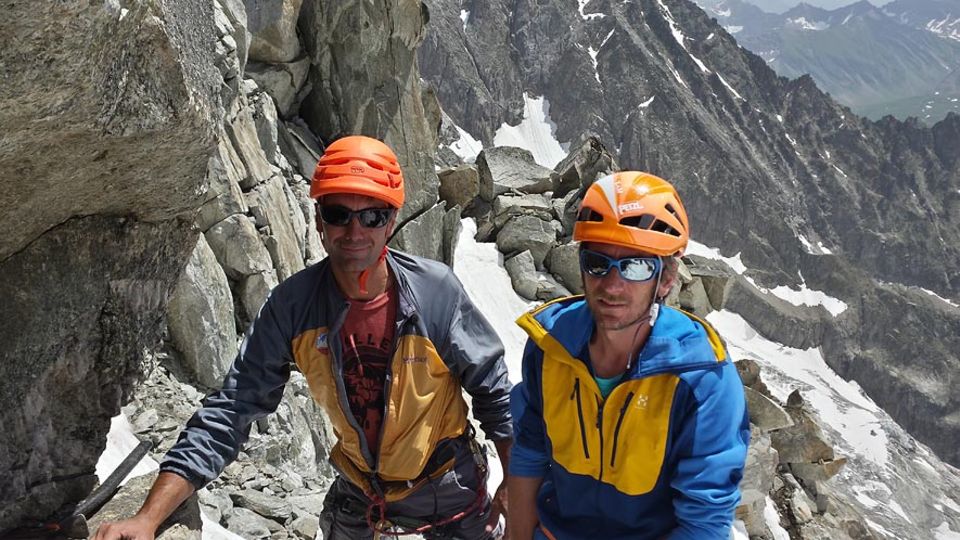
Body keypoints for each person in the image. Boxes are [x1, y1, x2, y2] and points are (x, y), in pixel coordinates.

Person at [94, 135, 512, 540]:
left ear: (391, 223)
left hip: (446, 486)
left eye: (372, 216)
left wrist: (514, 481)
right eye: (338, 214)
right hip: (362, 488)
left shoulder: (433, 293)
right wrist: (148, 518)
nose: (354, 231)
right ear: (318, 221)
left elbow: (494, 392)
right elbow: (233, 408)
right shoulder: (294, 307)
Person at [507, 171, 750, 539]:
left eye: (637, 266)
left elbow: (704, 522)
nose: (612, 285)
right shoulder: (550, 348)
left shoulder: (702, 379)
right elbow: (530, 452)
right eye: (597, 263)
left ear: (666, 280)